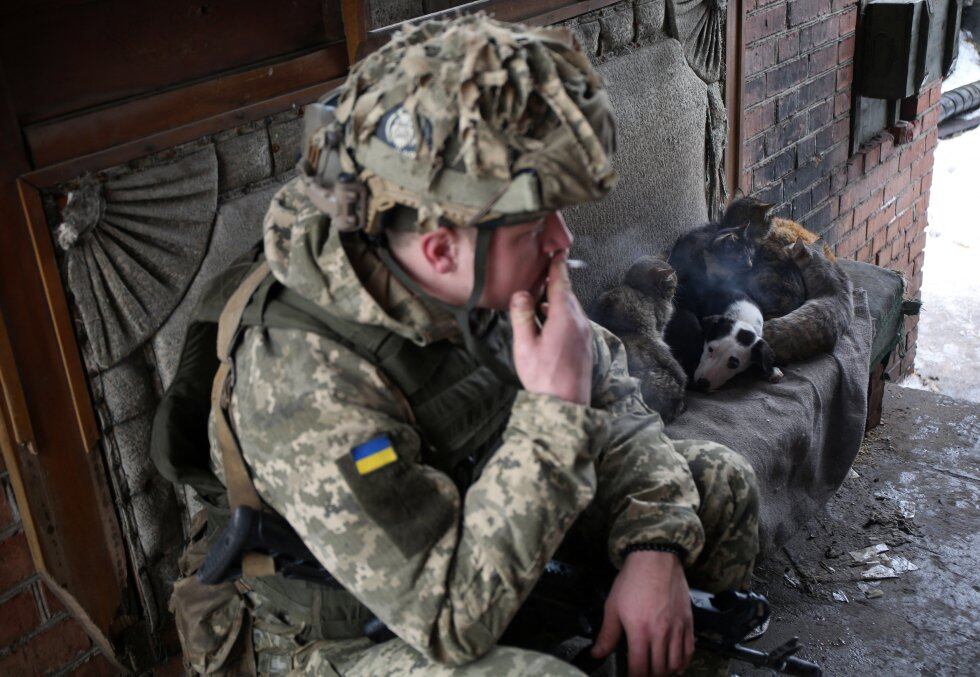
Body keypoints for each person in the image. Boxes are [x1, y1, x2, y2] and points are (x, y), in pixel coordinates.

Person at [170, 14, 759, 676]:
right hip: (342, 633)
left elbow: (609, 391)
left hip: (484, 512)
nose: (563, 241)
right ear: (439, 250)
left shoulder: (480, 270)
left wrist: (653, 547)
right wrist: (556, 416)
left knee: (718, 484)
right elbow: (448, 620)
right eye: (534, 227)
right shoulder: (307, 383)